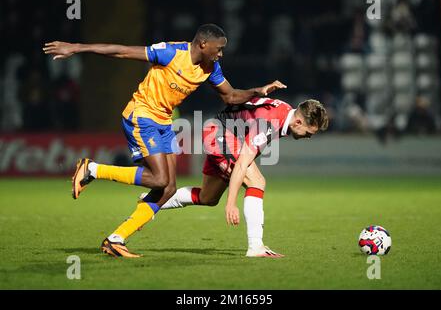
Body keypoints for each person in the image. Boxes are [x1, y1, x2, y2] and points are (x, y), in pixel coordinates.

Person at [43, 24, 286, 258]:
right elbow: (123, 51)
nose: (221, 54)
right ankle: (93, 169)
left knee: (168, 189)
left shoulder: (211, 68)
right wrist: (76, 47)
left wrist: (258, 91)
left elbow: (231, 96)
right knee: (159, 179)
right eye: (218, 48)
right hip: (141, 115)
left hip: (164, 122)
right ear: (203, 43)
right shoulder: (171, 52)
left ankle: (116, 239)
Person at [153, 97, 329, 258]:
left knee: (208, 197)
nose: (308, 137)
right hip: (220, 135)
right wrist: (231, 203)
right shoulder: (269, 123)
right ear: (298, 121)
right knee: (257, 181)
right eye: (308, 132)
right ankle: (256, 246)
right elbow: (242, 164)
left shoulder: (283, 111)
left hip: (219, 131)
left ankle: (152, 201)